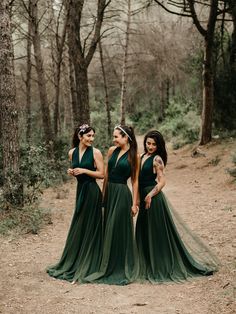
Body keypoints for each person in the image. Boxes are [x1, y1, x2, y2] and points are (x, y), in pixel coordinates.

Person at [136, 130, 218, 283]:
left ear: (159, 145)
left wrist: (150, 195)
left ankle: (161, 264)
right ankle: (146, 262)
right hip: (142, 198)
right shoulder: (141, 157)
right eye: (148, 143)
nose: (151, 147)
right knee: (144, 230)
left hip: (153, 199)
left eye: (154, 144)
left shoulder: (157, 159)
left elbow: (162, 181)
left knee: (156, 232)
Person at [47, 124, 104, 283]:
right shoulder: (71, 153)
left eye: (93, 136)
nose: (91, 139)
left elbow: (102, 174)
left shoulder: (96, 152)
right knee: (80, 223)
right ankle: (76, 259)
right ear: (80, 136)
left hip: (92, 191)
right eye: (88, 136)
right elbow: (75, 169)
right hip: (81, 191)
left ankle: (91, 260)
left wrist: (85, 171)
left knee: (91, 224)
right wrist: (71, 172)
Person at [85, 125, 139, 285]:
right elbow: (107, 175)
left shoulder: (134, 156)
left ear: (126, 138)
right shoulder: (111, 151)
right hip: (110, 193)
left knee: (117, 227)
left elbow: (135, 181)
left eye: (116, 137)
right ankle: (108, 262)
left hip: (122, 194)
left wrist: (135, 203)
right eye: (114, 136)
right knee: (108, 226)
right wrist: (103, 194)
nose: (113, 139)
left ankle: (120, 265)